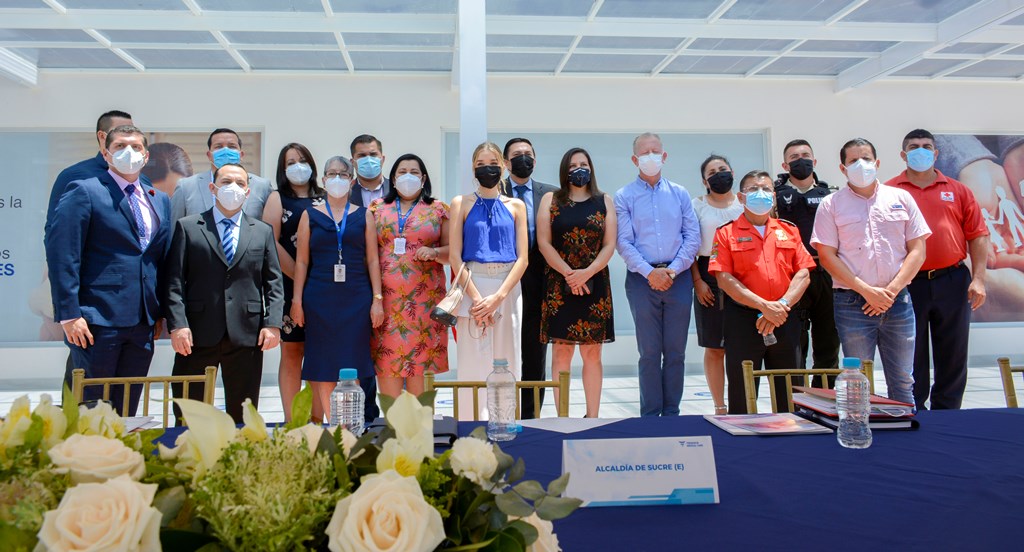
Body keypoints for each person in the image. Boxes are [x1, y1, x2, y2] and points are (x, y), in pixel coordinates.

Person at [46, 125, 172, 416]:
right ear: (105, 153)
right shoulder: (84, 190)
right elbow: (63, 255)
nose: (129, 152)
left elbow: (159, 259)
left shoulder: (158, 198)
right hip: (96, 320)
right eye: (120, 146)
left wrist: (160, 312)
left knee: (126, 407)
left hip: (142, 323)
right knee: (90, 409)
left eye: (136, 147)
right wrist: (69, 314)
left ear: (146, 155)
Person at [810, 138, 931, 405]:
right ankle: (858, 425)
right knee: (856, 381)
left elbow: (918, 251)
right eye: (853, 160)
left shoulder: (901, 198)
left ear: (877, 163)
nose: (861, 165)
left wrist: (890, 292)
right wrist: (867, 292)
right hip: (852, 303)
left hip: (898, 301)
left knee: (903, 379)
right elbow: (827, 257)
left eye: (866, 159)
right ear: (843, 168)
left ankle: (903, 424)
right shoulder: (831, 204)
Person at [164, 162, 284, 424]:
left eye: (240, 183)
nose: (233, 188)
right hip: (196, 335)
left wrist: (272, 323)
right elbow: (174, 281)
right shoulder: (188, 227)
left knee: (243, 416)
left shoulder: (262, 231)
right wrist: (177, 325)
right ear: (212, 188)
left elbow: (273, 282)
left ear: (248, 192)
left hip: (246, 334)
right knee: (189, 413)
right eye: (226, 182)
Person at [885, 129, 989, 410]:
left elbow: (978, 235)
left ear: (936, 153)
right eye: (914, 147)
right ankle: (914, 410)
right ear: (903, 155)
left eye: (926, 146)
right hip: (907, 284)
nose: (921, 151)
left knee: (953, 352)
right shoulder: (889, 191)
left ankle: (948, 413)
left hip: (952, 279)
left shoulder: (958, 190)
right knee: (910, 352)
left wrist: (979, 279)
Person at [708, 170, 816, 414]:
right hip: (744, 321)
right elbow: (724, 279)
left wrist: (780, 306)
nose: (761, 193)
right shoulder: (726, 233)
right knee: (742, 393)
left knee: (790, 392)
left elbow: (803, 274)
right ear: (741, 197)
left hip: (784, 317)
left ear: (774, 196)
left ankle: (790, 434)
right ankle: (744, 435)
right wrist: (764, 306)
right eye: (753, 189)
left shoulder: (789, 230)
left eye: (766, 189)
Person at [290, 156, 384, 423]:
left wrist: (377, 299)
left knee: (353, 360)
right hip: (319, 298)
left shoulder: (364, 215)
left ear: (352, 181)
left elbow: (373, 260)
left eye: (343, 174)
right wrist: (297, 300)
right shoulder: (310, 215)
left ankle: (351, 424)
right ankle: (334, 426)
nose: (337, 179)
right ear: (323, 180)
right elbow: (302, 261)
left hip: (356, 297)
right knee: (323, 363)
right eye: (332, 174)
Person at [615, 132, 701, 417]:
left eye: (655, 151)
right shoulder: (624, 196)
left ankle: (672, 413)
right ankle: (650, 416)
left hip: (679, 278)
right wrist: (650, 272)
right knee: (649, 352)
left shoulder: (680, 193)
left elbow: (692, 237)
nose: (650, 156)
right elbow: (623, 242)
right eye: (644, 153)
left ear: (664, 156)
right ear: (634, 159)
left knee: (676, 352)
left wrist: (672, 271)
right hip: (642, 280)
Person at [449, 141, 529, 421]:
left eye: (493, 164)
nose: (487, 170)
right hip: (472, 286)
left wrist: (498, 298)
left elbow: (523, 258)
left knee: (508, 359)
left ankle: (506, 423)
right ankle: (471, 425)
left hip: (507, 288)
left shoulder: (516, 206)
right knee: (472, 362)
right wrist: (477, 299)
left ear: (504, 166)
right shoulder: (461, 203)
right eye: (481, 165)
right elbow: (455, 256)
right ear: (473, 168)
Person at [537, 147, 616, 418]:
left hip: (595, 284)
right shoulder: (551, 200)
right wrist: (570, 274)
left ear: (591, 168)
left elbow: (609, 245)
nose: (578, 169)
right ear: (564, 170)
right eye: (572, 165)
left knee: (592, 354)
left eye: (583, 164)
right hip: (560, 284)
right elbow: (544, 243)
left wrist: (587, 272)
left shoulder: (604, 200)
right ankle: (563, 417)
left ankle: (592, 416)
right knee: (561, 352)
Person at [369, 153, 450, 397]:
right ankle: (392, 422)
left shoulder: (438, 209)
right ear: (393, 179)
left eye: (414, 172)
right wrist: (375, 298)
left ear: (423, 179)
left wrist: (435, 252)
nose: (408, 176)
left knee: (420, 377)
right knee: (388, 369)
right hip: (386, 304)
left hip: (424, 305)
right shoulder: (376, 209)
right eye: (402, 172)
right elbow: (368, 255)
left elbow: (453, 253)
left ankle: (421, 423)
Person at [261, 143, 323, 421]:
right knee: (292, 351)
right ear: (282, 169)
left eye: (302, 160)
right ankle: (293, 421)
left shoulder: (325, 197)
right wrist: (299, 277)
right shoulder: (278, 198)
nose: (298, 166)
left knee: (320, 353)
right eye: (290, 162)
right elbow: (270, 242)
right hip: (289, 285)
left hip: (323, 287)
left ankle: (317, 420)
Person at [773, 139, 841, 384]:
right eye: (794, 157)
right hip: (792, 276)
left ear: (814, 161)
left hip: (826, 272)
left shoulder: (831, 194)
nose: (800, 160)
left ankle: (824, 396)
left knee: (828, 342)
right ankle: (797, 399)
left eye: (805, 155)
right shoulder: (774, 196)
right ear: (785, 165)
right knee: (794, 343)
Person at [502, 138, 559, 419]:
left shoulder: (551, 194)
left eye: (527, 154)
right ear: (505, 162)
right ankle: (503, 413)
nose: (523, 159)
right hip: (503, 281)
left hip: (541, 282)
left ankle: (531, 416)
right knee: (504, 351)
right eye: (516, 155)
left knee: (535, 353)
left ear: (535, 160)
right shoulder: (493, 191)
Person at [691, 154, 743, 414]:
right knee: (714, 347)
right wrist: (698, 281)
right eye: (712, 172)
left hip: (743, 274)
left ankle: (742, 405)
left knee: (742, 346)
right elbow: (689, 247)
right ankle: (720, 406)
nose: (719, 175)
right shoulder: (696, 205)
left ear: (732, 172)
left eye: (723, 169)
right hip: (707, 275)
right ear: (705, 181)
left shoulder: (745, 203)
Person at [171, 128, 273, 220]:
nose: (225, 151)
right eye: (219, 146)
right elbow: (175, 230)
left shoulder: (262, 186)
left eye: (232, 146)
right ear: (209, 155)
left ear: (241, 155)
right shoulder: (186, 186)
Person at [348, 134, 391, 207]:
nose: (368, 159)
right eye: (362, 155)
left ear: (382, 159)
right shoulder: (345, 194)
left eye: (373, 154)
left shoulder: (396, 190)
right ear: (352, 162)